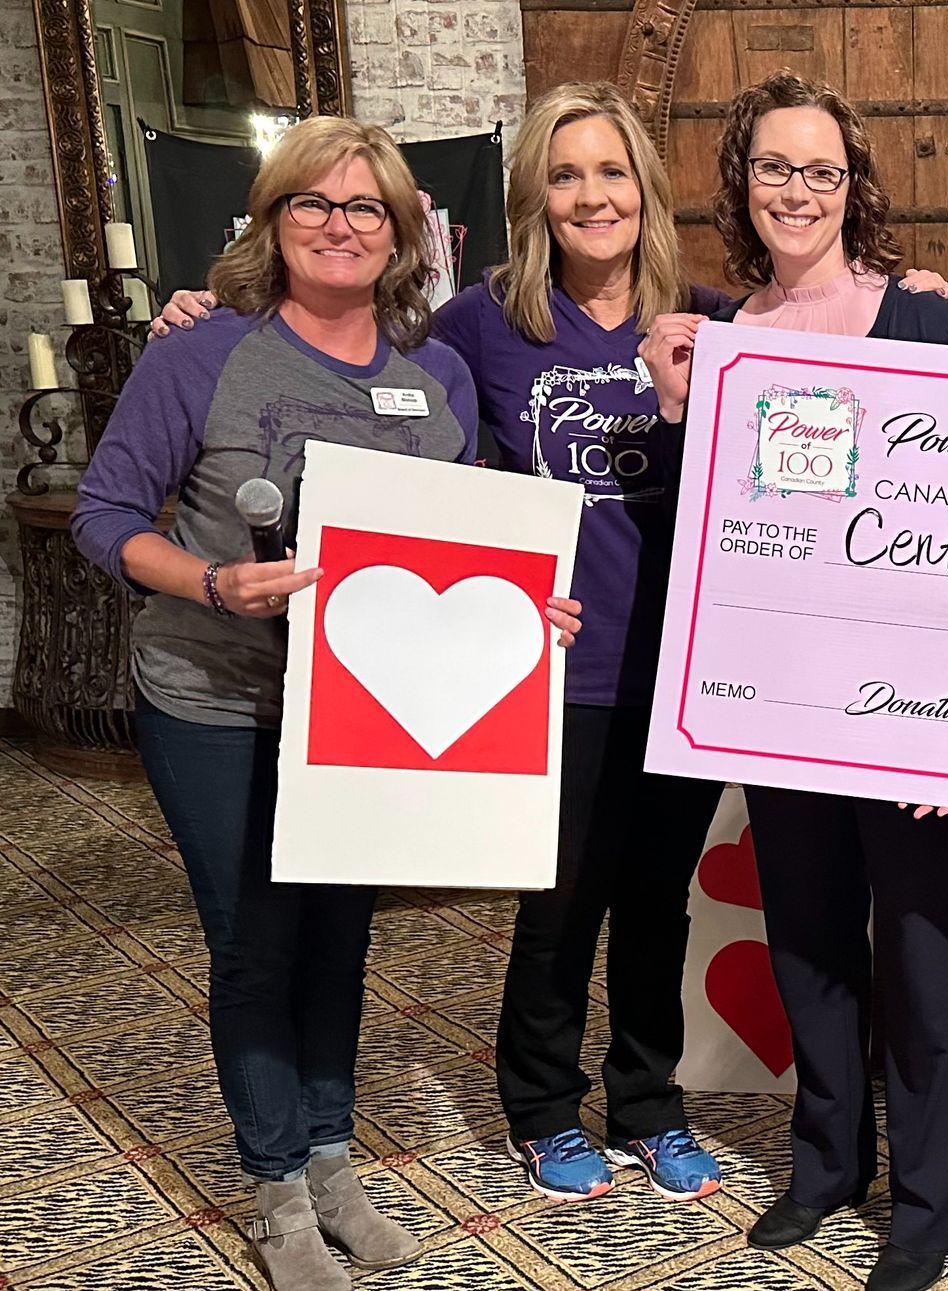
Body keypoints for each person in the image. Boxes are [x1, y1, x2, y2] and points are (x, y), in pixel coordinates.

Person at [150, 82, 948, 1208]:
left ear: (646, 191)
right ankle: (540, 1103)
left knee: (658, 894)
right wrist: (213, 310)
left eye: (614, 173)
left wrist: (912, 290)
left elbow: (830, 395)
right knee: (560, 894)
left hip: (682, 663)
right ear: (538, 195)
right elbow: (354, 352)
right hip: (549, 661)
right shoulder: (478, 326)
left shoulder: (722, 322)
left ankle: (648, 1098)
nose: (594, 195)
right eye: (568, 174)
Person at [70, 116, 582, 1291]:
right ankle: (280, 1190)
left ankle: (334, 1158)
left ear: (405, 233)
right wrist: (210, 580)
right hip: (214, 696)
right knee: (255, 944)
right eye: (313, 203)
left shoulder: (435, 373)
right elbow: (105, 515)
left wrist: (527, 610)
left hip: (360, 716)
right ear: (273, 220)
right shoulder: (200, 355)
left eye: (366, 208)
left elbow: (470, 549)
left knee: (341, 939)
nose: (339, 226)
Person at [640, 70, 948, 1291]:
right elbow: (710, 540)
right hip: (783, 704)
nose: (797, 189)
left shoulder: (923, 319)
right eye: (775, 167)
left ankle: (931, 1201)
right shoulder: (726, 345)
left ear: (853, 186)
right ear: (741, 183)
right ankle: (829, 1160)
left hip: (913, 713)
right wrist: (680, 413)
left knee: (927, 963)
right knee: (813, 947)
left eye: (819, 169)